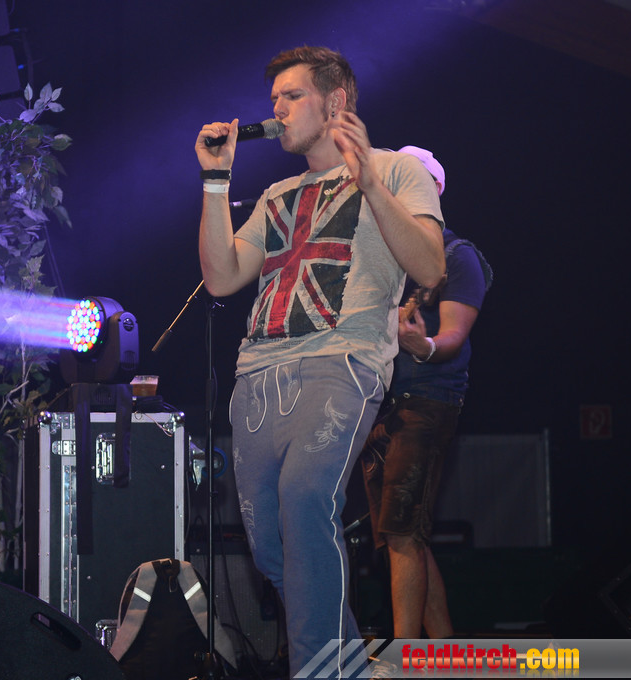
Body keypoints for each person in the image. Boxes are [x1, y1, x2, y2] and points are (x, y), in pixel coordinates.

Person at [195, 46, 445, 676]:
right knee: (273, 549)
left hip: (341, 363)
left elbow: (429, 267)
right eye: (273, 98)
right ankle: (350, 665)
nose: (276, 109)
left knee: (307, 502)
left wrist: (369, 184)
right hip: (257, 378)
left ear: (336, 102)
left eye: (292, 95)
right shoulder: (276, 194)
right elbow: (222, 277)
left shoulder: (396, 170)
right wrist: (216, 182)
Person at [361, 145, 493, 639]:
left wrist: (423, 344)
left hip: (427, 403)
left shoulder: (457, 257)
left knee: (402, 532)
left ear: (432, 190)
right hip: (383, 405)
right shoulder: (386, 259)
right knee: (402, 536)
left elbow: (453, 336)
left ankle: (407, 657)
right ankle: (443, 651)